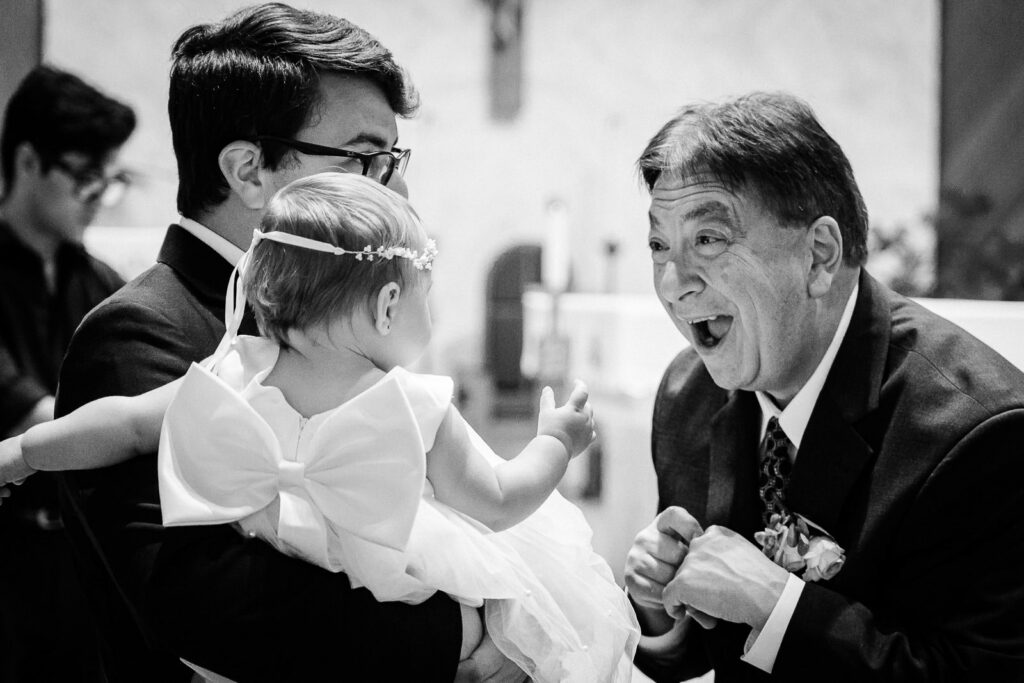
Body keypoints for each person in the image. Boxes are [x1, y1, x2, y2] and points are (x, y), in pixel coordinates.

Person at [1, 171, 640, 682]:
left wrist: (24, 452)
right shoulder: (414, 405)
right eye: (427, 294)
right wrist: (556, 440)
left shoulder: (234, 373)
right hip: (406, 615)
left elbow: (123, 425)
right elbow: (501, 501)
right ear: (390, 306)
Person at [50, 4, 529, 681]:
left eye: (392, 159)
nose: (398, 189)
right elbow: (217, 603)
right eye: (366, 157)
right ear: (250, 170)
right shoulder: (139, 331)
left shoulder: (328, 323)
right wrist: (459, 633)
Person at [623, 91, 1024, 682]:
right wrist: (662, 609)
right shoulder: (689, 395)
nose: (673, 283)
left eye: (707, 240)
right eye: (659, 244)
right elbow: (702, 651)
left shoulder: (979, 433)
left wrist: (777, 605)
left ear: (818, 256)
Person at [0, 64, 135, 682]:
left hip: (82, 566)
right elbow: (31, 412)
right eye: (84, 177)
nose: (97, 198)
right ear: (28, 162)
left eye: (109, 181)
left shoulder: (104, 284)